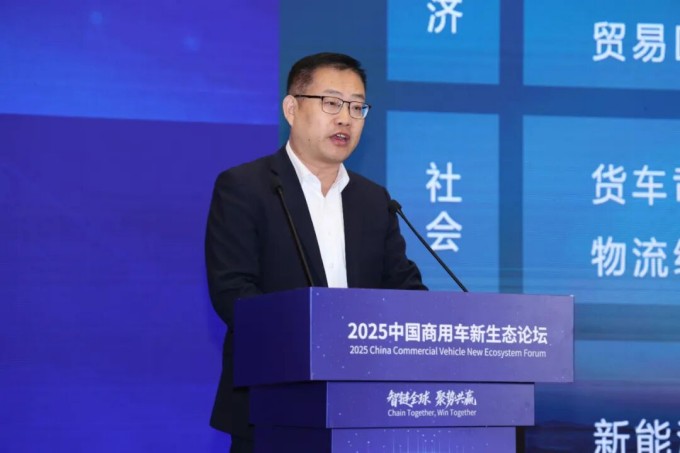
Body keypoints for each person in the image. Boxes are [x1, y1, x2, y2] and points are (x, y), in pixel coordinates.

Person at [204, 52, 426, 452]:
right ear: (292, 108)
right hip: (272, 405)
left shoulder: (374, 200)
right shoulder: (245, 187)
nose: (345, 119)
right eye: (331, 103)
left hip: (364, 408)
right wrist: (321, 339)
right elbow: (233, 293)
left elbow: (405, 291)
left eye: (357, 107)